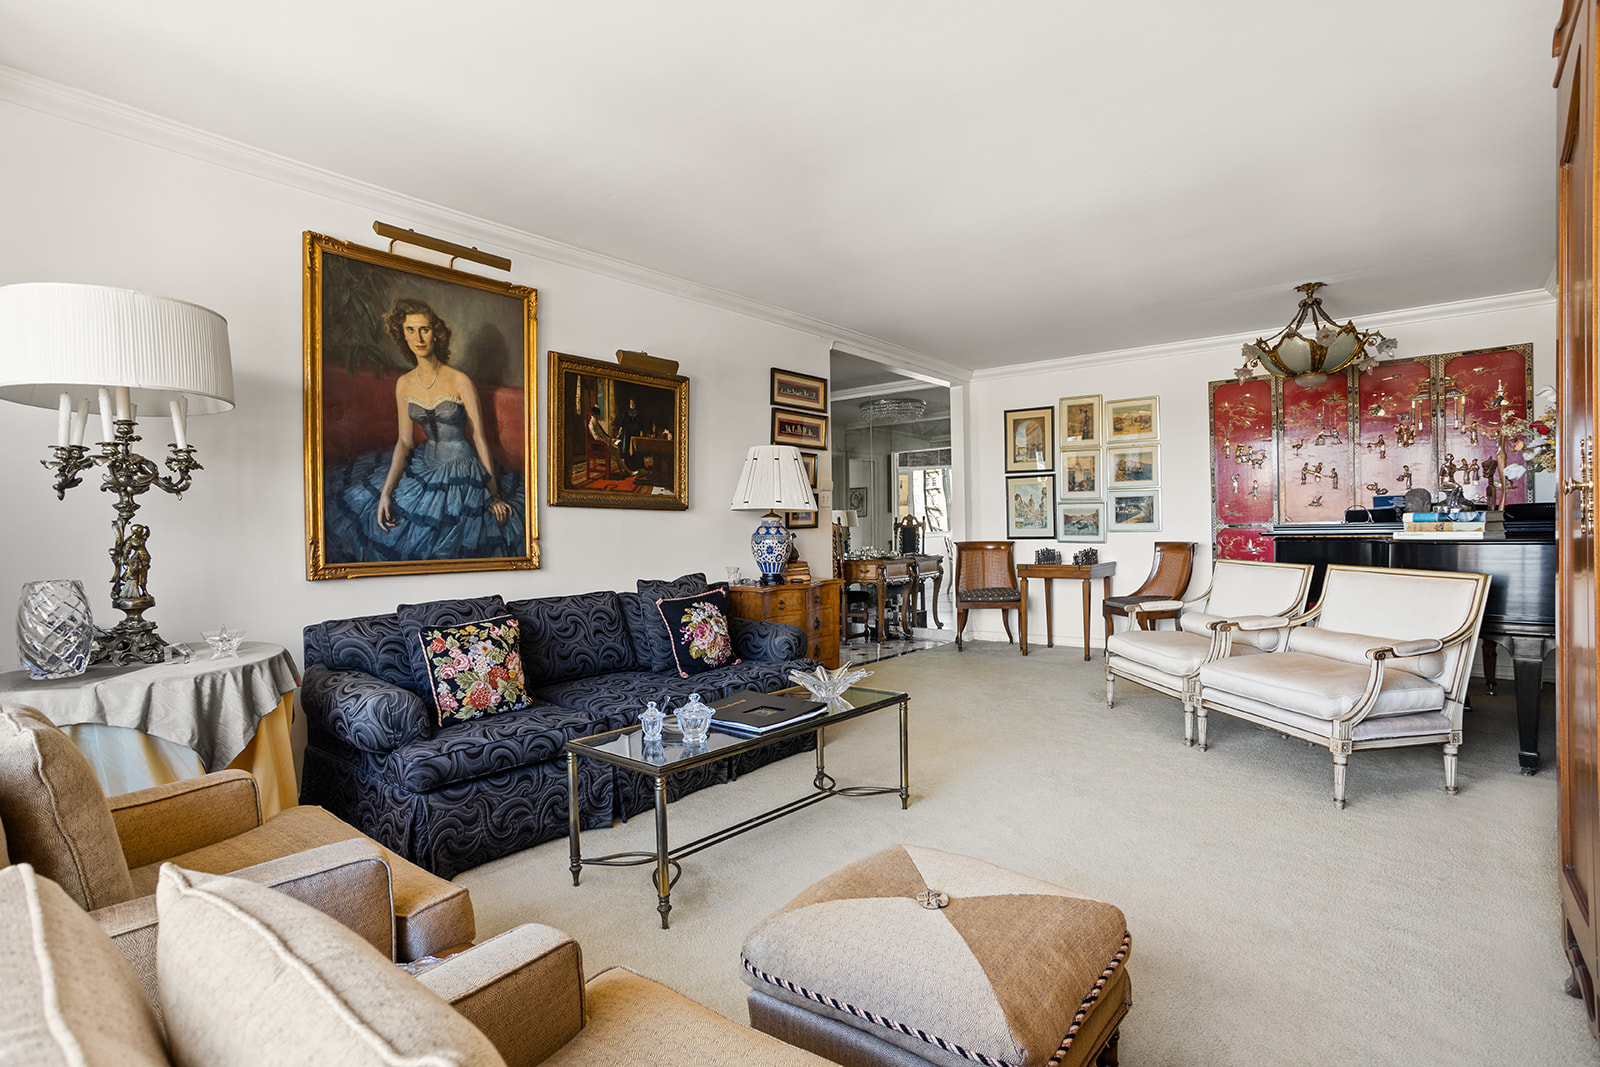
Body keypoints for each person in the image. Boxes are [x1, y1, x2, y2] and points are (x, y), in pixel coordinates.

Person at [326, 297, 525, 563]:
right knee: (362, 499)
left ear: (436, 333)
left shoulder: (459, 380)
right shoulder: (404, 384)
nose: (418, 337)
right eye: (410, 330)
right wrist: (386, 492)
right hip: (423, 462)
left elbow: (479, 436)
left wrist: (494, 494)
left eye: (424, 329)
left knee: (445, 539)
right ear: (403, 336)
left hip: (461, 469)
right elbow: (405, 442)